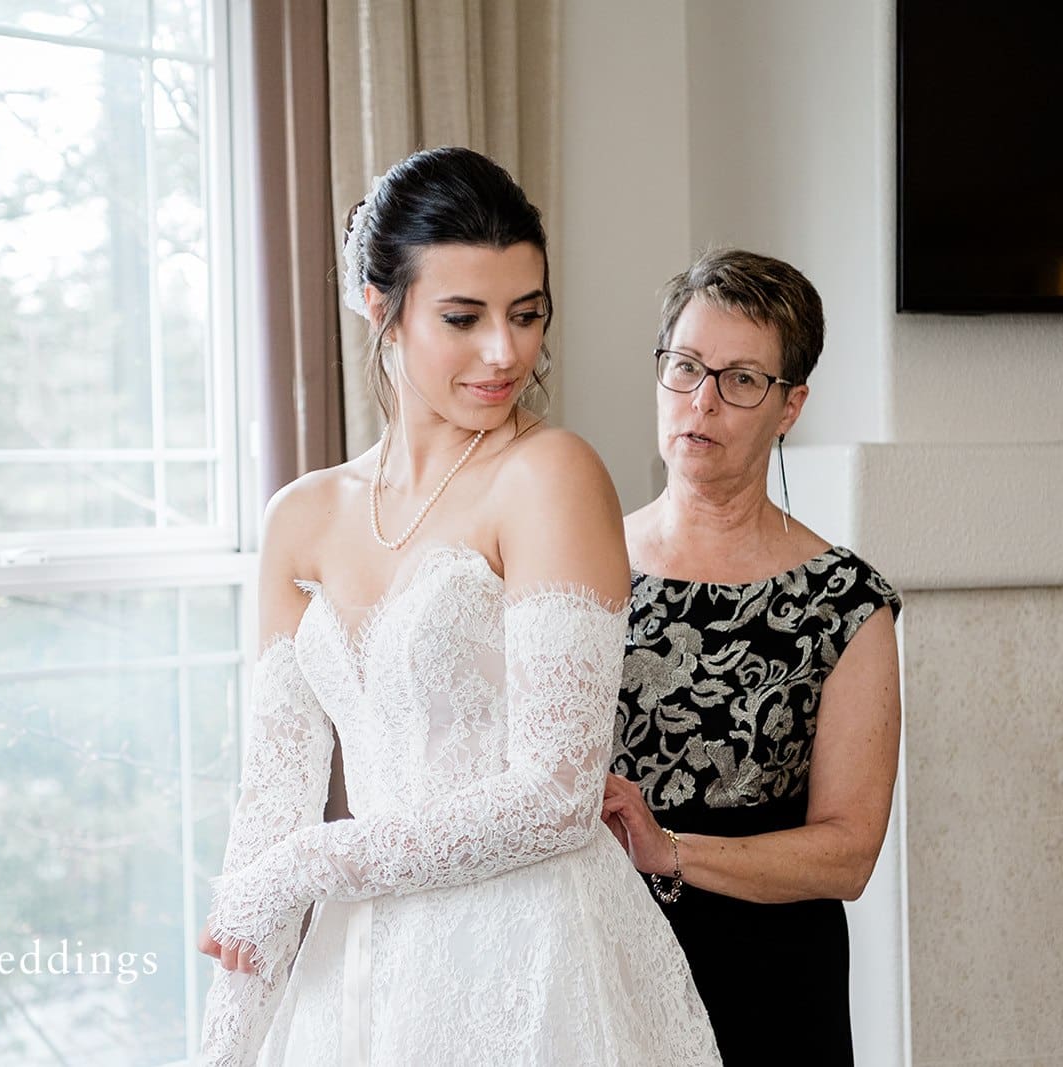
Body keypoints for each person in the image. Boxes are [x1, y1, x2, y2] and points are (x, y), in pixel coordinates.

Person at [195, 147, 720, 1066]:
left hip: (530, 962)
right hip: (354, 975)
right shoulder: (303, 516)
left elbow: (559, 794)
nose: (505, 351)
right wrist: (224, 1043)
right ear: (379, 306)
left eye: (527, 314)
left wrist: (311, 864)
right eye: (463, 317)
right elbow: (269, 810)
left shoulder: (550, 475)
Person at [600, 248, 903, 1065]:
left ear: (790, 405)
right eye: (686, 367)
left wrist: (671, 850)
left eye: (739, 379)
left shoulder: (847, 600)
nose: (702, 402)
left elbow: (849, 851)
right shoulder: (578, 563)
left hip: (770, 980)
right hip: (597, 957)